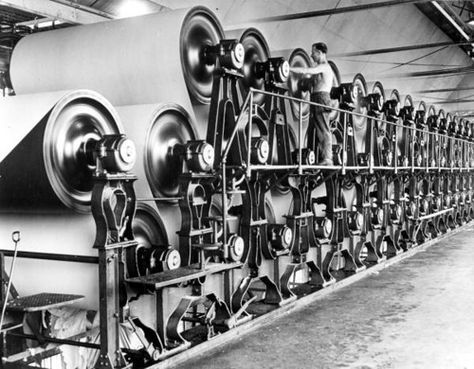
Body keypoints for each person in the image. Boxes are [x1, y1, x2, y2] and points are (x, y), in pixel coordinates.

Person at [290, 42, 334, 166]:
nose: (311, 55)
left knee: (323, 129)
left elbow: (307, 70)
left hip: (321, 99)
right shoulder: (321, 69)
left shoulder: (324, 66)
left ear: (320, 53)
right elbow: (310, 82)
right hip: (315, 98)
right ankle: (315, 156)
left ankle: (328, 159)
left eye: (313, 52)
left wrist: (289, 68)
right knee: (315, 130)